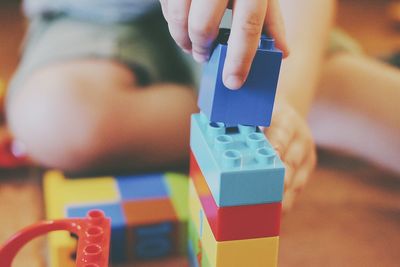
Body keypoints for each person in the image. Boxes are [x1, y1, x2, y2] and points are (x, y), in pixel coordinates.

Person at [13, 0, 397, 212]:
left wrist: (287, 94)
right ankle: (268, 99)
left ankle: (281, 99)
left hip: (248, 16)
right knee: (54, 117)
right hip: (92, 15)